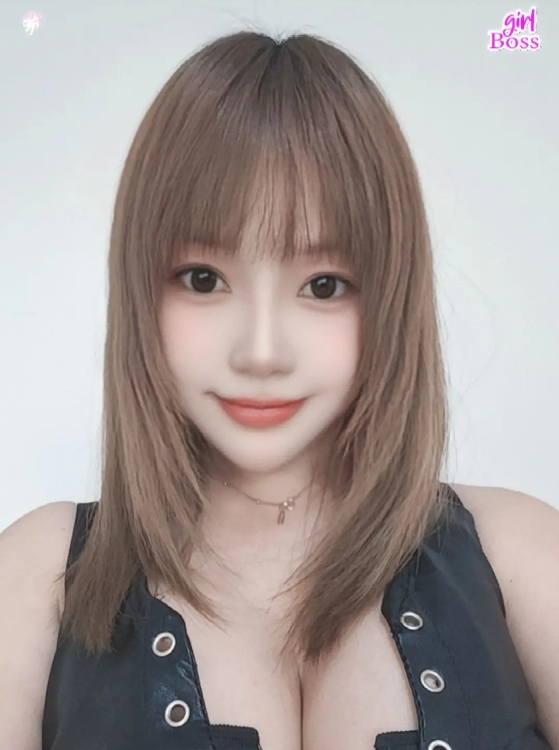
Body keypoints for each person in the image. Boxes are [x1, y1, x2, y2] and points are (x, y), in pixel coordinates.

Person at [0, 29, 557, 750]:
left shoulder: (520, 554)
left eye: (323, 285)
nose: (261, 353)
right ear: (141, 291)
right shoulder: (39, 575)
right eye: (203, 279)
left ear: (390, 296)